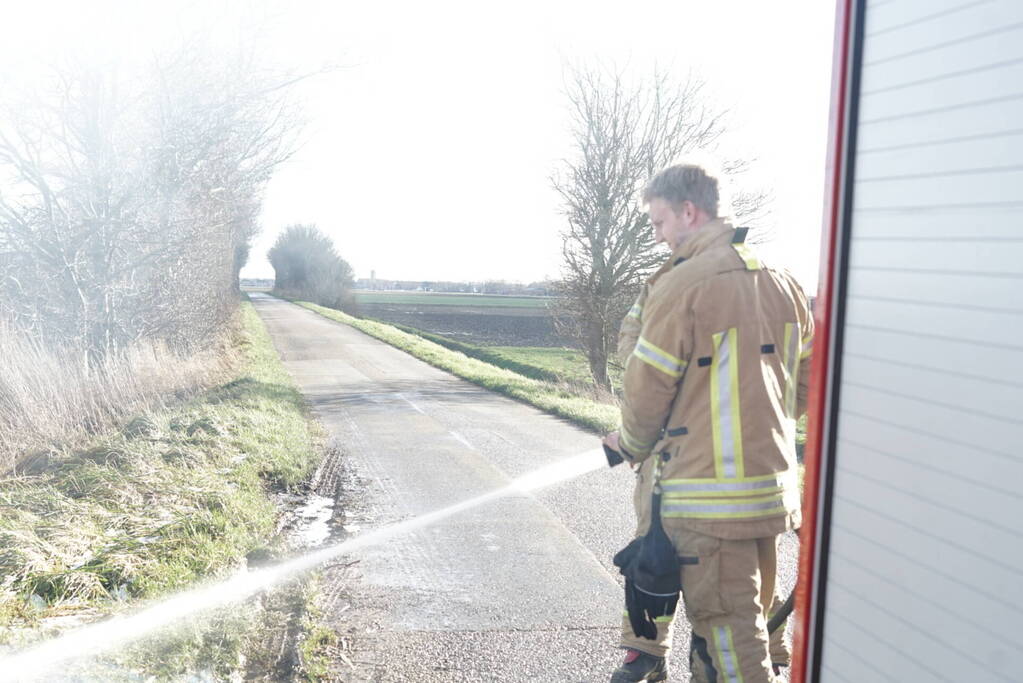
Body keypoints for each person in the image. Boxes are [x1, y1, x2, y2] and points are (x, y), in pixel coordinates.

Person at [605, 164, 812, 682]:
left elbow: (646, 389)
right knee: (754, 620)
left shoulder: (683, 285)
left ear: (688, 212)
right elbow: (805, 383)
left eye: (658, 223)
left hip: (708, 504)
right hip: (770, 494)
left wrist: (631, 443)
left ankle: (648, 656)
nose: (657, 236)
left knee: (731, 638)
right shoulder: (784, 283)